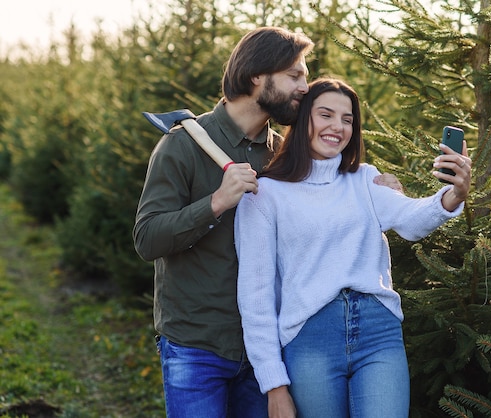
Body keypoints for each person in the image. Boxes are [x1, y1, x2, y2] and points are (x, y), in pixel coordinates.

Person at [133, 28, 403, 417]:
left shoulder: (284, 159)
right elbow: (146, 239)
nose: (304, 87)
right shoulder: (184, 145)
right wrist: (216, 203)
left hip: (268, 351)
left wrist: (383, 191)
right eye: (295, 75)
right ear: (258, 75)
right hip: (197, 344)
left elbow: (336, 213)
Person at [234, 78, 472, 418]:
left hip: (378, 333)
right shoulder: (264, 195)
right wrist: (274, 385)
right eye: (326, 115)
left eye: (347, 119)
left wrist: (453, 196)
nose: (337, 127)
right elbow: (255, 298)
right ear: (304, 120)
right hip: (309, 339)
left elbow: (411, 220)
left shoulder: (365, 179)